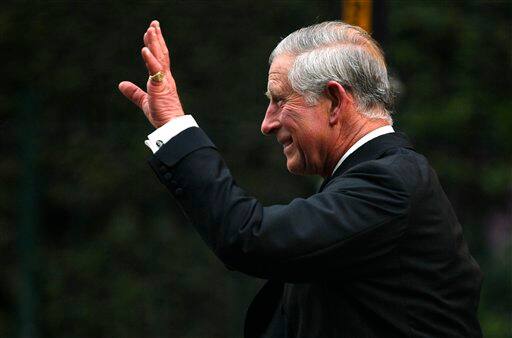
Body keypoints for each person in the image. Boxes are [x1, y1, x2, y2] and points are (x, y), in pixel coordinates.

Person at [118, 20, 483, 338]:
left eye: (279, 101)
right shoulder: (376, 177)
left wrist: (175, 126)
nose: (267, 123)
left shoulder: (391, 183)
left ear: (336, 102)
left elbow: (248, 237)